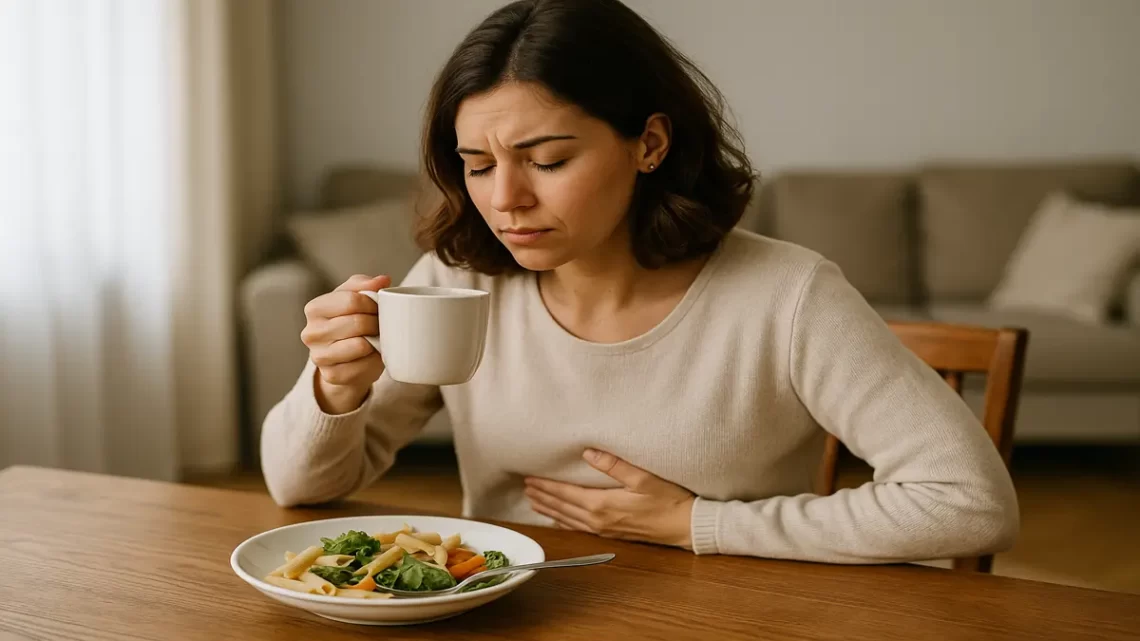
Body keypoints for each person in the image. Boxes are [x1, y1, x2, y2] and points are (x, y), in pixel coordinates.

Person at [262, 0, 1018, 563]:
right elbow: (300, 489)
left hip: (728, 612)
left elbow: (971, 503)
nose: (504, 200)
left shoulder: (789, 297)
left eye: (548, 160)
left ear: (649, 143)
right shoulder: (458, 282)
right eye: (478, 164)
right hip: (507, 613)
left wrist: (699, 524)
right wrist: (331, 390)